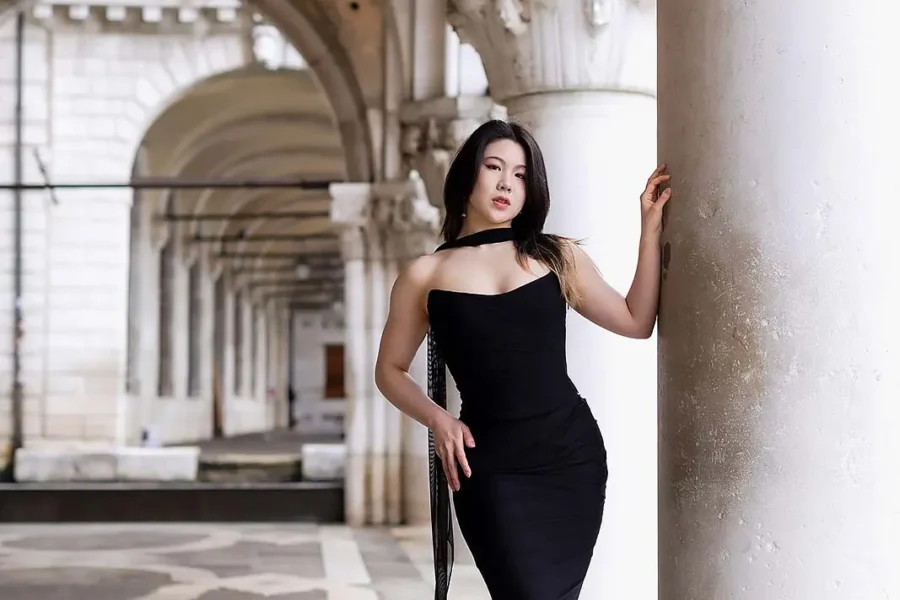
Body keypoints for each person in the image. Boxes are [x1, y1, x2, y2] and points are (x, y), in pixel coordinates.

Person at [374, 119, 672, 599]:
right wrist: (437, 419)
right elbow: (388, 370)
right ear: (468, 175)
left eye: (519, 174)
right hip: (490, 468)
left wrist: (648, 230)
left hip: (570, 457)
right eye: (494, 167)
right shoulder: (425, 274)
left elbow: (636, 320)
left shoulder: (557, 257)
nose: (505, 183)